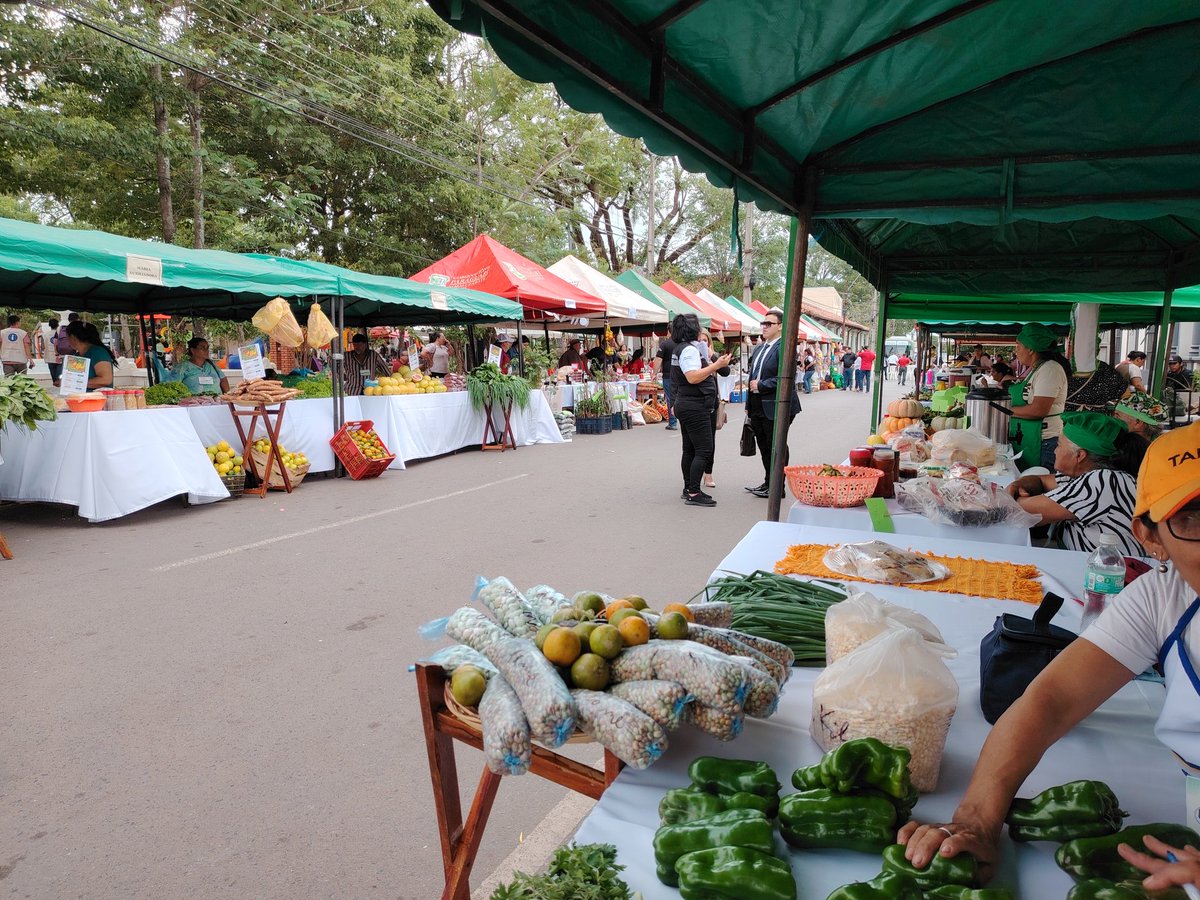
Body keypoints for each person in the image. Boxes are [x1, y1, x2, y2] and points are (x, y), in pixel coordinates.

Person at [900, 418, 1200, 892]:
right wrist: (976, 821)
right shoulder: (1162, 598)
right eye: (1193, 518)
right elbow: (1051, 700)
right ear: (1150, 537)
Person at [1007, 411, 1147, 555]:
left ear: (1079, 455)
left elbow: (1021, 511)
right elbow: (1041, 480)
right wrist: (1018, 485)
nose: (1055, 451)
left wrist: (1012, 494)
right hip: (1083, 560)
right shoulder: (1083, 474)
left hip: (1108, 567)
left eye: (1059, 445)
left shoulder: (1103, 481)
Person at [670, 314, 731, 507]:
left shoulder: (681, 348)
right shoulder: (689, 350)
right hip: (694, 405)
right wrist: (716, 365)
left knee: (689, 449)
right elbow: (692, 377)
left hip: (686, 403)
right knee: (704, 449)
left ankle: (689, 488)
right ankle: (694, 492)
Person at [744, 308, 801, 499]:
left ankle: (777, 486)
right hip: (757, 403)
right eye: (763, 323)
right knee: (763, 445)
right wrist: (748, 404)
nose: (765, 327)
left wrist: (761, 385)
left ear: (781, 326)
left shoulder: (785, 347)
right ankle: (769, 482)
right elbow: (752, 376)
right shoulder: (760, 348)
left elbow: (786, 378)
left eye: (769, 324)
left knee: (776, 445)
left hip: (778, 404)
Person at [1009, 322, 1071, 470]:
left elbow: (1038, 410)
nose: (1016, 351)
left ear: (1030, 349)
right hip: (1031, 437)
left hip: (1045, 443)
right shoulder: (1036, 369)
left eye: (1018, 346)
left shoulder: (1050, 369)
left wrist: (1005, 410)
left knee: (1039, 480)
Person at [65, 320, 114, 389]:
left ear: (73, 337)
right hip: (78, 395)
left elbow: (106, 380)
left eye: (67, 338)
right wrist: (64, 381)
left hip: (96, 395)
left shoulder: (98, 352)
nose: (67, 341)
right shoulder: (76, 356)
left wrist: (76, 382)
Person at [654, 334, 679, 430]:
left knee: (670, 398)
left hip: (668, 375)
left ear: (669, 332)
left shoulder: (665, 344)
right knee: (681, 396)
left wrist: (654, 373)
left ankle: (673, 422)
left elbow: (659, 359)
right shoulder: (682, 343)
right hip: (681, 374)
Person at [41, 317, 62, 386]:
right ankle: (59, 384)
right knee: (59, 375)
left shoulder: (44, 335)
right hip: (59, 357)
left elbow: (43, 347)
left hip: (49, 357)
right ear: (58, 325)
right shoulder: (61, 334)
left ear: (49, 325)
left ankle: (55, 384)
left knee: (53, 376)